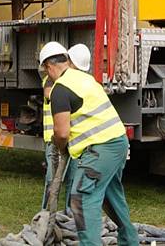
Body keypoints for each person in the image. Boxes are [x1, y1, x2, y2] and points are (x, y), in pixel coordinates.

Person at [43, 45, 138, 246]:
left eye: (45, 70)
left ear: (49, 66)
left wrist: (59, 147)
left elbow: (61, 132)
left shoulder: (60, 90)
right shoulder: (84, 78)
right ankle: (130, 241)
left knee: (82, 198)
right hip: (117, 143)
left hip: (101, 149)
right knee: (110, 197)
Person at [40, 43, 90, 209]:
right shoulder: (52, 80)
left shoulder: (77, 81)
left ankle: (70, 216)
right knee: (52, 180)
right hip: (54, 139)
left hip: (75, 139)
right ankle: (46, 215)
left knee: (73, 179)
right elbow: (49, 93)